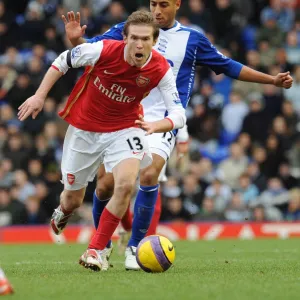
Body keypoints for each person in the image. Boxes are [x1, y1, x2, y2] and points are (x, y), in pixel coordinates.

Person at [63, 0, 293, 271]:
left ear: (177, 5)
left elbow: (227, 65)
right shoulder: (133, 29)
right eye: (153, 4)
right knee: (105, 185)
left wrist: (271, 80)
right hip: (123, 116)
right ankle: (103, 247)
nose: (157, 10)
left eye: (163, 5)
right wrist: (78, 39)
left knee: (149, 174)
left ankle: (136, 247)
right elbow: (95, 49)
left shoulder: (192, 39)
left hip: (162, 120)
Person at [18, 10, 186, 272]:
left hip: (126, 128)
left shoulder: (161, 68)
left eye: (145, 39)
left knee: (126, 185)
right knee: (73, 199)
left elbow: (178, 114)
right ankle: (63, 210)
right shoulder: (105, 50)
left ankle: (95, 249)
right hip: (84, 130)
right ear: (125, 38)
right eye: (134, 38)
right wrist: (39, 96)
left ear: (154, 42)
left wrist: (157, 124)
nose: (139, 45)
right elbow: (63, 61)